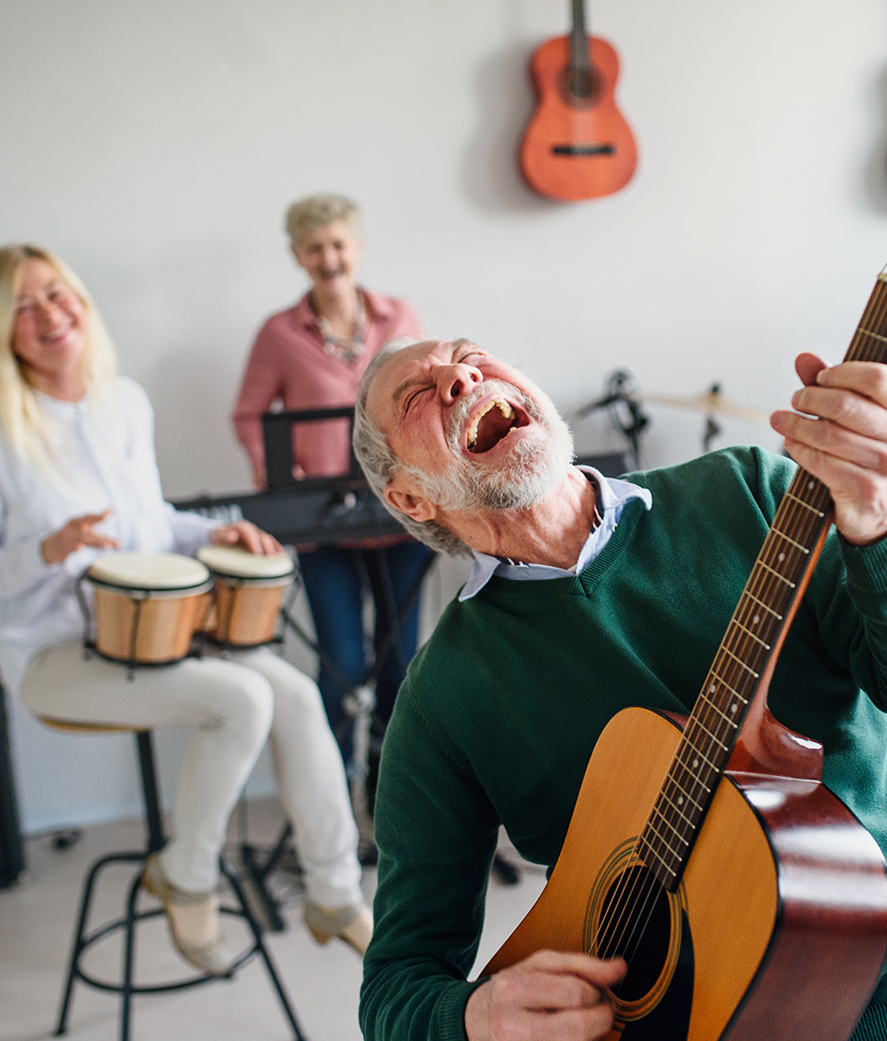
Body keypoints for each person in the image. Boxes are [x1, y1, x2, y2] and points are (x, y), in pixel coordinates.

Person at [350, 336, 887, 1041]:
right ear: (410, 497)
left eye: (471, 355)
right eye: (417, 395)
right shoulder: (438, 699)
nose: (459, 376)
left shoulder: (752, 492)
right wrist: (474, 1016)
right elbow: (396, 979)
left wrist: (877, 532)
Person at [0, 244, 373, 977]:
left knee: (293, 692)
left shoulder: (122, 401)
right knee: (238, 697)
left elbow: (151, 522)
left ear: (81, 301)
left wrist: (212, 530)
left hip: (153, 634)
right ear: (1, 329)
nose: (47, 314)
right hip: (50, 653)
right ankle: (186, 873)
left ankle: (334, 891)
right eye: (22, 305)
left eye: (56, 294)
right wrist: (45, 548)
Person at [232, 194, 432, 804]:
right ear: (298, 256)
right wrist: (283, 477)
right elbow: (249, 414)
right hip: (324, 523)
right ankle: (329, 795)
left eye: (339, 244)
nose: (329, 257)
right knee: (340, 663)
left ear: (358, 247)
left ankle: (388, 787)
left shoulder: (399, 317)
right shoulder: (278, 333)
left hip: (400, 512)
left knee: (402, 664)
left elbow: (423, 397)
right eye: (315, 247)